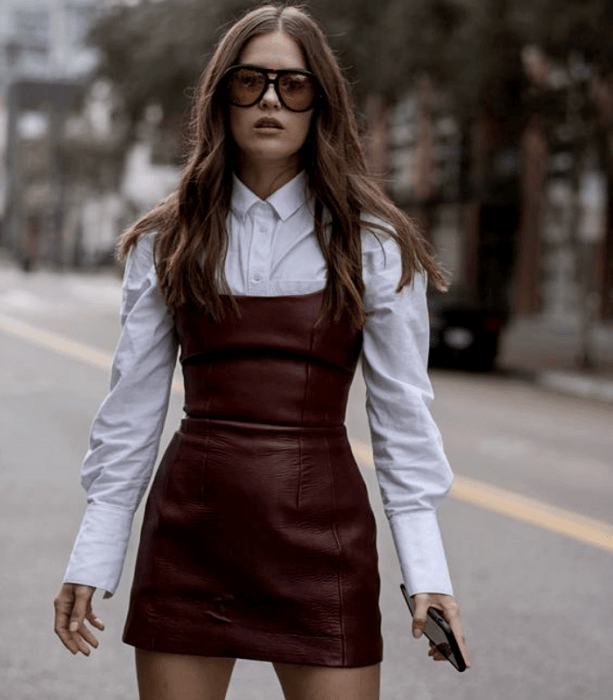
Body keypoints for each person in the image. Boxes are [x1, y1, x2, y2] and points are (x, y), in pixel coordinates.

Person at [54, 4, 469, 699]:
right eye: (249, 83)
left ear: (320, 104)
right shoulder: (169, 239)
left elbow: (403, 423)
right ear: (220, 99)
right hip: (191, 536)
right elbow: (129, 415)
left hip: (322, 543)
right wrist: (93, 553)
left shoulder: (371, 242)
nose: (271, 100)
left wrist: (427, 577)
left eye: (293, 85)